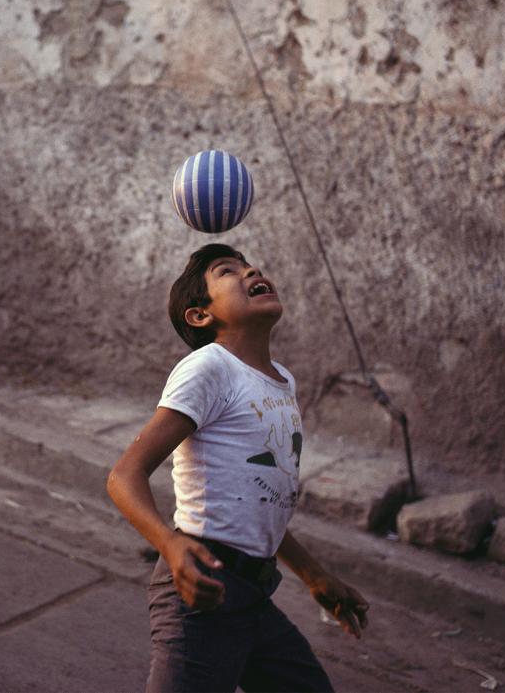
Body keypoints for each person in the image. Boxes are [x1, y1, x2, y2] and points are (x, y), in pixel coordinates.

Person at [107, 243, 369, 692]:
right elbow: (124, 475)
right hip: (201, 597)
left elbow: (253, 498)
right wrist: (170, 547)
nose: (251, 270)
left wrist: (315, 575)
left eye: (251, 265)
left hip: (252, 597)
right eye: (229, 271)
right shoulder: (208, 368)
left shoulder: (281, 381)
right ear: (200, 315)